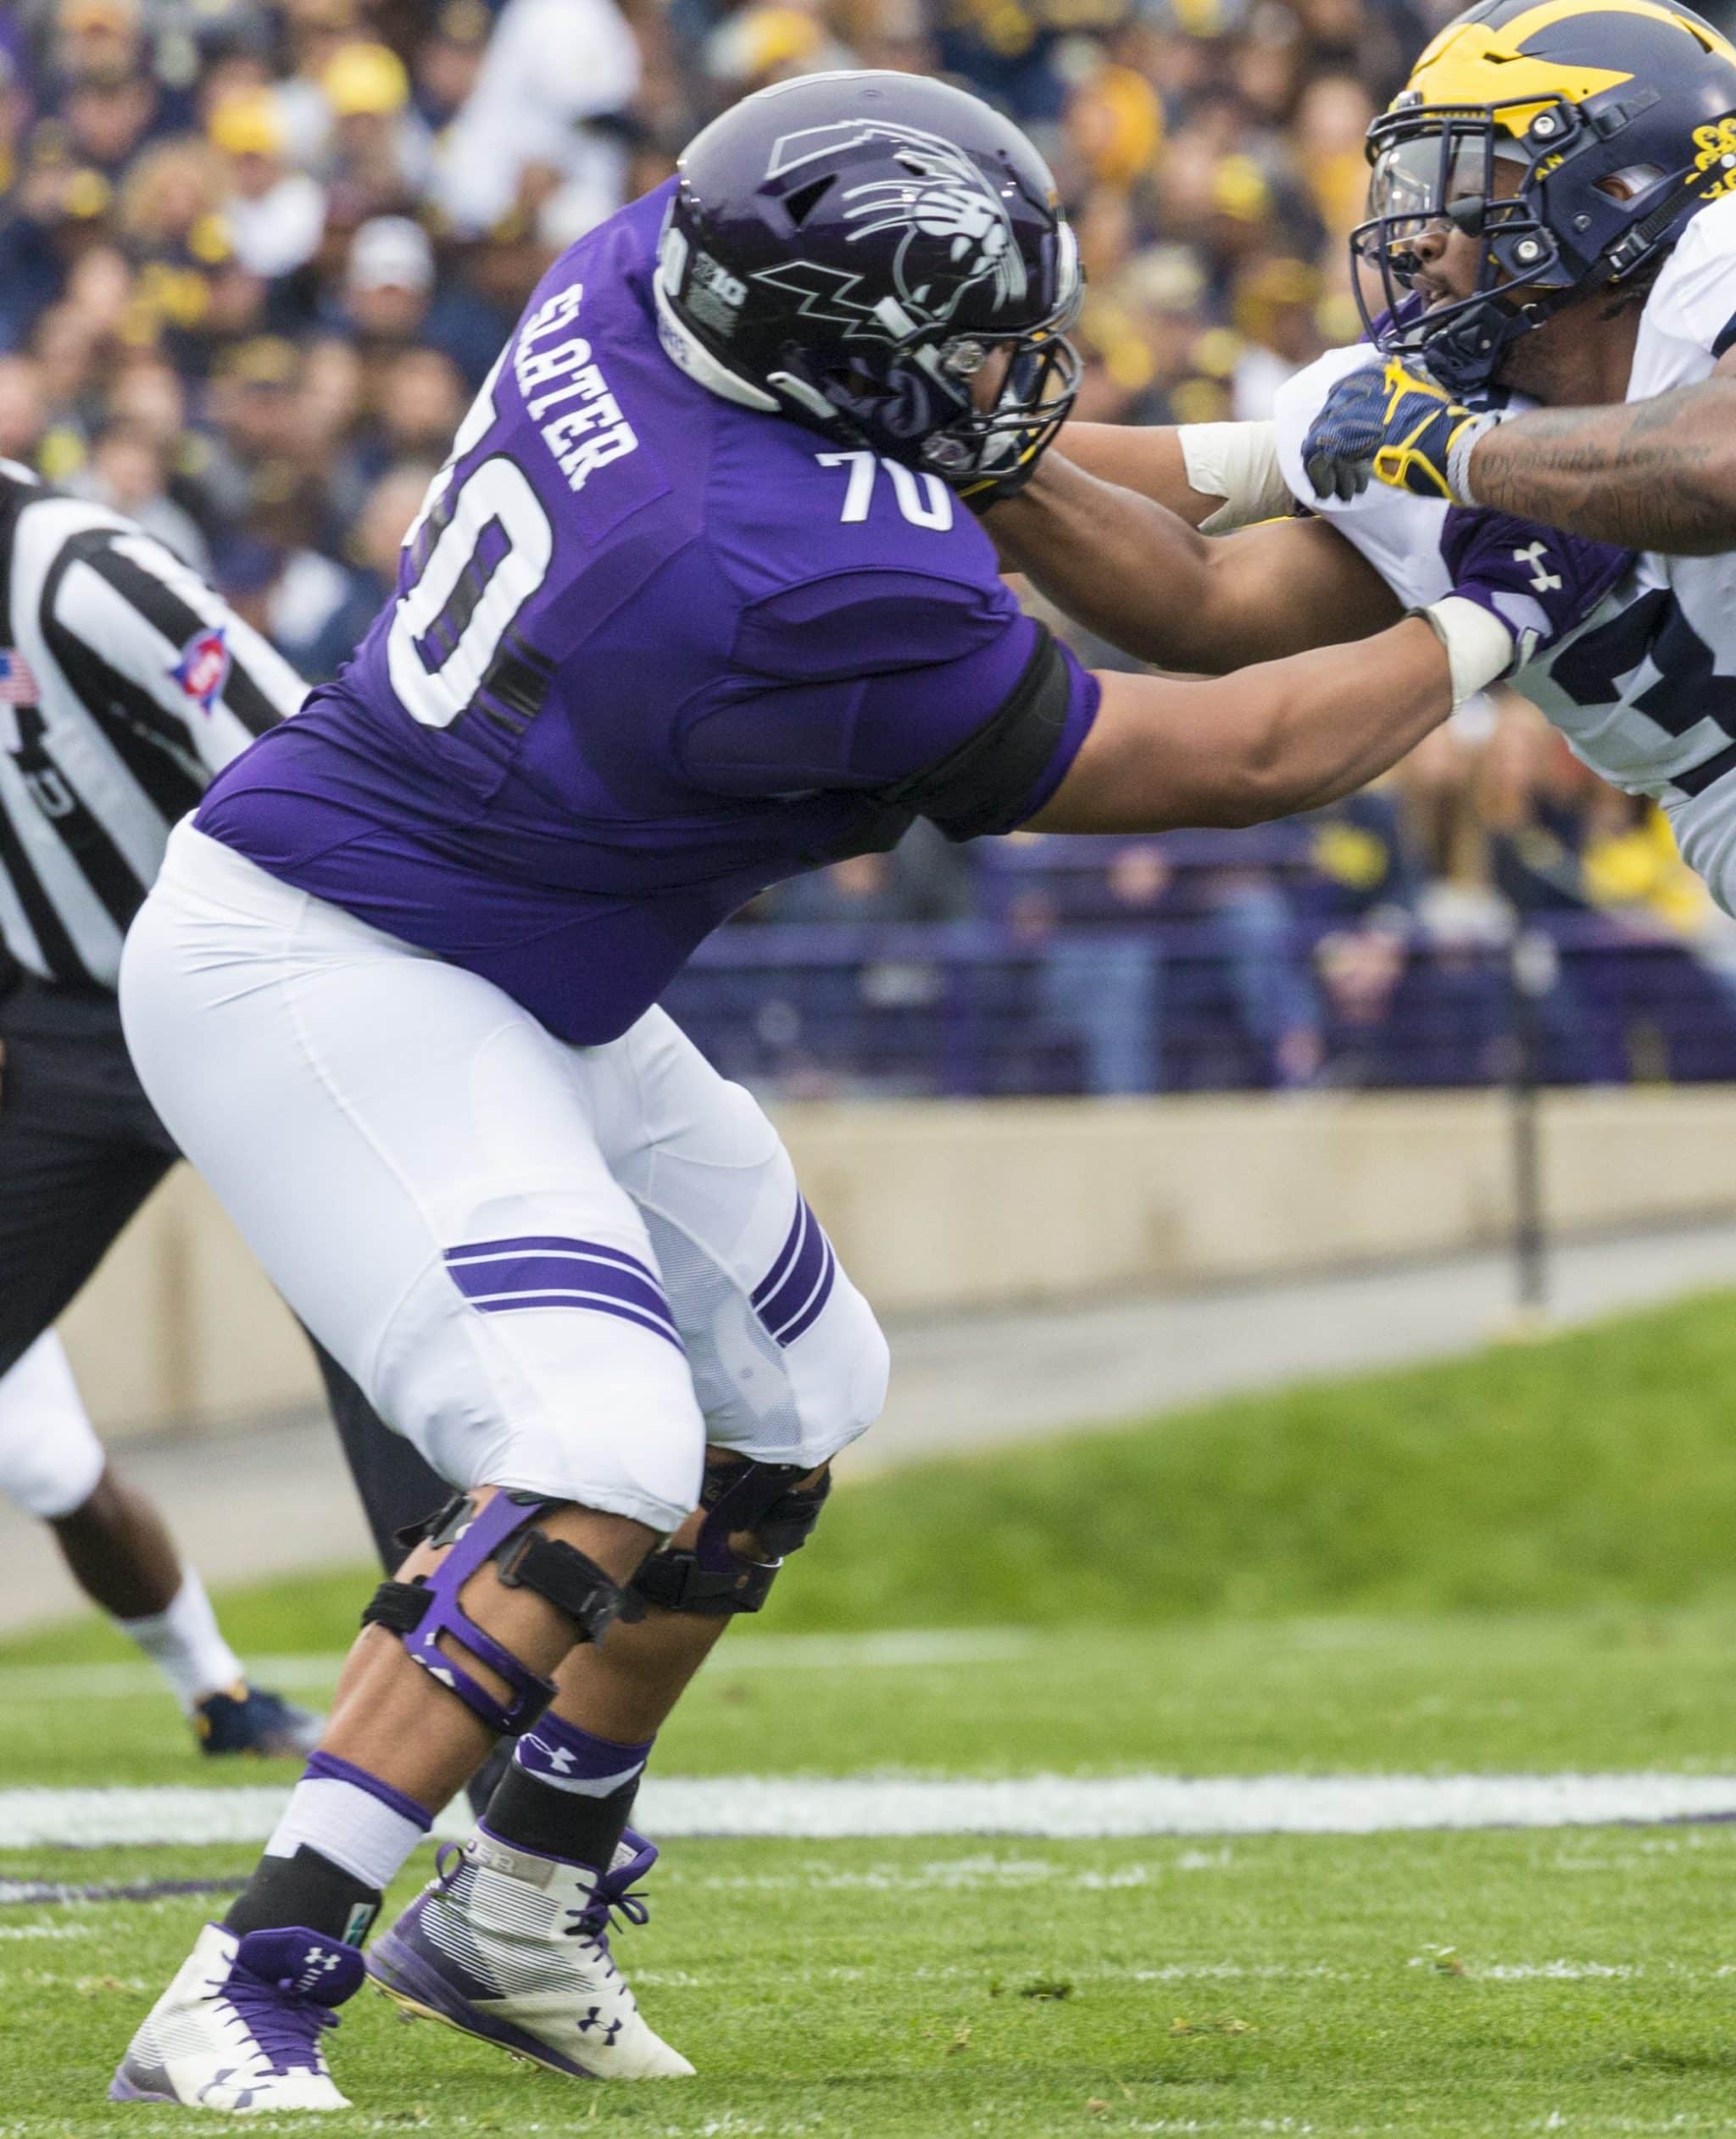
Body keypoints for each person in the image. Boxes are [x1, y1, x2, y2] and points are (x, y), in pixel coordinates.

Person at [109, 70, 1622, 2113]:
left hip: (498, 944)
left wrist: (1286, 449)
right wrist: (1495, 612)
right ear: (836, 352)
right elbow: (1230, 750)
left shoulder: (651, 270)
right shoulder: (781, 572)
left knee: (791, 1402)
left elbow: (959, 442)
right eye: (974, 338)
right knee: (596, 1433)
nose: (1013, 371)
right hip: (332, 963)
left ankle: (521, 1894)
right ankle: (254, 1970)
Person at [993, 0, 1736, 954]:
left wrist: (1456, 458)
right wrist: (947, 451)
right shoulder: (1453, 402)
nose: (1418, 232)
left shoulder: (1710, 263)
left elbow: (1715, 466)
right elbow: (1201, 600)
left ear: (1618, 182)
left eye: (1469, 178)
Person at [0, 454, 443, 1756]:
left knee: (390, 1362)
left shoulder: (83, 572)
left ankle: (472, 1721)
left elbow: (292, 738)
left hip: (239, 994)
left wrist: (337, 975)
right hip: (69, 1028)